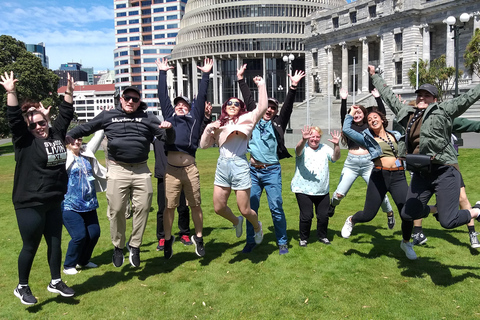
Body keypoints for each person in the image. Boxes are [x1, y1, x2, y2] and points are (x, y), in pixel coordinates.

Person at [368, 64, 480, 256]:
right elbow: (388, 97)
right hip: (422, 172)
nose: (421, 98)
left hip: (444, 170)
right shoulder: (407, 115)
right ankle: (436, 210)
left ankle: (477, 211)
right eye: (419, 95)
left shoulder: (444, 110)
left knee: (448, 221)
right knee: (407, 213)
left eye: (426, 95)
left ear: (435, 99)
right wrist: (374, 76)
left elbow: (467, 98)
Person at [67, 85, 175, 268]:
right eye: (128, 98)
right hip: (117, 169)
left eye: (135, 99)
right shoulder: (108, 116)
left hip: (141, 169)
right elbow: (86, 128)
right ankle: (118, 246)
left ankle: (134, 246)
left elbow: (168, 140)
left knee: (143, 207)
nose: (131, 101)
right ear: (121, 98)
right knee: (116, 210)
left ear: (139, 101)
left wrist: (169, 129)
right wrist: (66, 135)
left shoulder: (148, 117)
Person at [2, 71, 76, 305]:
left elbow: (66, 113)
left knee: (55, 243)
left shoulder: (55, 135)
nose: (39, 127)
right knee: (30, 246)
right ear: (28, 127)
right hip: (30, 203)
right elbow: (14, 118)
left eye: (42, 122)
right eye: (33, 125)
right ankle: (21, 286)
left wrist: (69, 92)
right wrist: (11, 92)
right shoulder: (24, 142)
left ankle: (55, 281)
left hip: (54, 200)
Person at [237, 64, 305, 254]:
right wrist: (241, 80)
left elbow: (289, 107)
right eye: (268, 106)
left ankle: (282, 241)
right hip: (253, 171)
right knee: (251, 207)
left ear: (275, 111)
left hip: (272, 170)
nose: (270, 110)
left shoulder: (278, 122)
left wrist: (293, 88)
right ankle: (251, 241)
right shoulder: (255, 117)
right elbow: (249, 99)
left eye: (273, 108)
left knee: (276, 207)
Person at [341, 107, 419, 259]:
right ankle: (352, 220)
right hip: (379, 176)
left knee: (407, 214)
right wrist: (350, 114)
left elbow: (410, 131)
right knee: (368, 215)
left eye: (375, 117)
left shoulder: (396, 135)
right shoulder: (367, 138)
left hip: (398, 177)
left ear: (382, 120)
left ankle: (405, 242)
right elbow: (346, 129)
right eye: (369, 120)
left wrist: (403, 108)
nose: (372, 121)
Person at [200, 76, 268, 245]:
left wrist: (261, 85)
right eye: (229, 103)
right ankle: (237, 222)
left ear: (241, 107)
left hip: (239, 165)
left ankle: (257, 226)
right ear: (224, 107)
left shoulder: (248, 119)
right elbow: (203, 146)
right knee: (218, 208)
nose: (232, 106)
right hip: (222, 165)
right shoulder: (219, 123)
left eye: (236, 104)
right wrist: (208, 129)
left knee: (245, 209)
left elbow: (263, 107)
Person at [156, 57, 213, 258]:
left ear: (189, 109)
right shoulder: (170, 118)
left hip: (190, 169)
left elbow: (201, 96)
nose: (181, 107)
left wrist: (205, 74)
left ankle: (199, 238)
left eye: (184, 105)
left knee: (195, 205)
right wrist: (162, 73)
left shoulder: (195, 119)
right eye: (178, 105)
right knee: (169, 207)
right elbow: (163, 96)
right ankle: (169, 239)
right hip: (171, 170)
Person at [329, 87, 395, 228]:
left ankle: (389, 213)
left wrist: (378, 98)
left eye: (359, 112)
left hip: (368, 164)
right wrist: (344, 99)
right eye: (354, 113)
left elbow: (381, 115)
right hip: (351, 164)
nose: (357, 114)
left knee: (380, 192)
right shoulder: (349, 127)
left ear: (364, 115)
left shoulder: (369, 127)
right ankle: (332, 205)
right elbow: (344, 117)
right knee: (339, 193)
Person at [62, 129, 107, 275]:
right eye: (72, 140)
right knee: (79, 235)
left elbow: (98, 136)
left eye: (79, 139)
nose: (76, 142)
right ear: (66, 141)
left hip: (88, 203)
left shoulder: (86, 153)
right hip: (69, 204)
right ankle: (69, 264)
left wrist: (102, 120)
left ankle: (84, 260)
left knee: (94, 234)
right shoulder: (63, 156)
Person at [291, 126, 341, 247]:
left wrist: (337, 145)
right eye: (312, 136)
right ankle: (303, 238)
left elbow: (335, 158)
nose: (315, 139)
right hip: (303, 189)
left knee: (323, 216)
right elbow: (297, 150)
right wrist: (303, 140)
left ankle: (322, 236)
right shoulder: (304, 147)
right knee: (307, 216)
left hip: (322, 190)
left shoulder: (324, 148)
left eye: (317, 136)